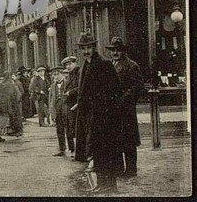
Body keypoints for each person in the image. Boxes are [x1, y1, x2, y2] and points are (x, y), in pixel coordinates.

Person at [75, 31, 123, 194]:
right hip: (90, 116)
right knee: (97, 151)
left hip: (103, 117)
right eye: (83, 48)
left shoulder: (103, 63)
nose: (86, 51)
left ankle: (110, 185)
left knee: (105, 151)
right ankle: (103, 183)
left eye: (88, 47)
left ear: (94, 47)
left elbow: (115, 90)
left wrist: (104, 110)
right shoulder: (86, 65)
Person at [106, 36, 144, 177]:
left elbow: (137, 87)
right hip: (112, 110)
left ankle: (131, 170)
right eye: (113, 50)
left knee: (129, 141)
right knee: (115, 140)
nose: (115, 53)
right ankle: (118, 169)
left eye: (118, 50)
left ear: (123, 51)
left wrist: (123, 100)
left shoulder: (132, 66)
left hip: (126, 110)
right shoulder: (109, 65)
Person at [0, 72, 23, 142]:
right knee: (9, 119)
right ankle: (13, 132)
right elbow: (18, 95)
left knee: (2, 119)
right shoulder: (12, 85)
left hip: (1, 106)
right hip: (10, 105)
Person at [62, 56, 81, 160]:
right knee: (70, 128)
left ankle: (79, 151)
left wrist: (70, 92)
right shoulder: (69, 75)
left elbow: (81, 88)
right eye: (66, 65)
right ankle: (74, 150)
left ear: (75, 63)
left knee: (77, 128)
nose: (67, 66)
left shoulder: (79, 73)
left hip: (76, 104)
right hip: (69, 105)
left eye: (69, 64)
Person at [50, 67, 71, 156]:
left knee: (69, 130)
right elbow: (51, 99)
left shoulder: (67, 83)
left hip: (66, 109)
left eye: (58, 74)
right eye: (54, 75)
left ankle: (72, 149)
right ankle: (62, 149)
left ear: (62, 74)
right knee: (59, 130)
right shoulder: (53, 86)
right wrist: (51, 113)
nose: (56, 76)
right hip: (57, 109)